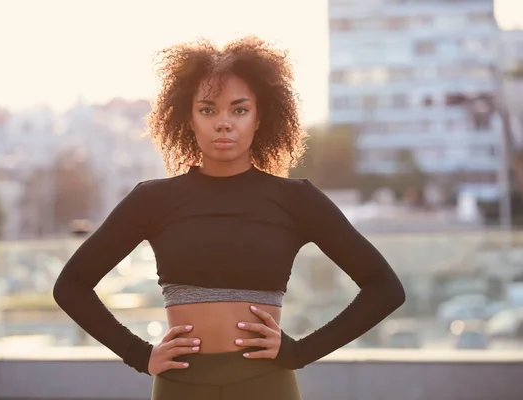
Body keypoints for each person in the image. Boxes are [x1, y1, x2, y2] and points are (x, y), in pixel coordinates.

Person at [53, 36, 405, 400]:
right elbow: (71, 285)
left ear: (259, 118)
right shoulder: (152, 200)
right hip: (180, 386)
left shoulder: (296, 199)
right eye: (208, 110)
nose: (224, 123)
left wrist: (300, 352)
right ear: (188, 119)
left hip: (266, 385)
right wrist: (139, 355)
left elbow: (384, 288)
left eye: (239, 110)